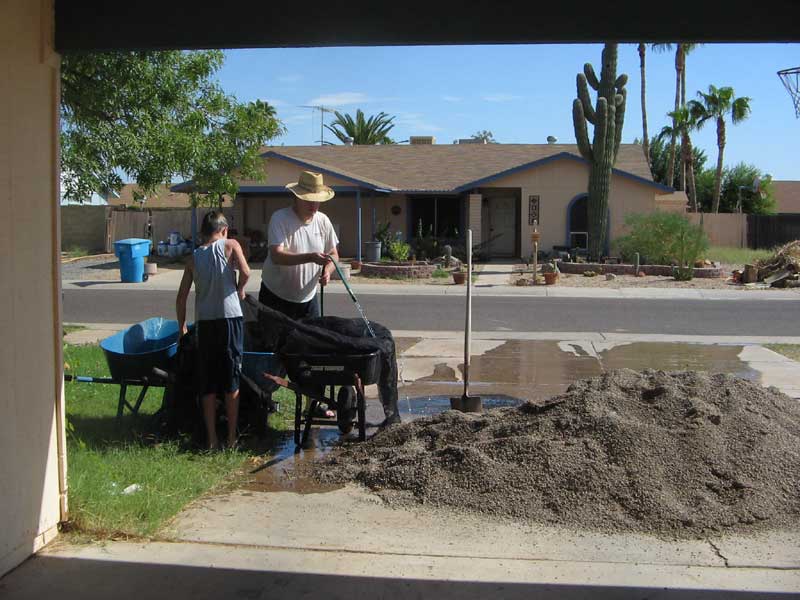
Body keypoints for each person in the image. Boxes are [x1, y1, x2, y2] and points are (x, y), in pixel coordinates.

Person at [176, 211, 250, 450]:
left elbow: (181, 297)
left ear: (202, 234)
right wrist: (239, 289)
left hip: (206, 322)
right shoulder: (231, 245)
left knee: (207, 383)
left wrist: (182, 327)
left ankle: (211, 439)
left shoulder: (193, 258)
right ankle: (231, 438)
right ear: (224, 230)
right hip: (230, 319)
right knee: (231, 380)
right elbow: (247, 272)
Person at [259, 170, 339, 319]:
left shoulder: (323, 220)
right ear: (296, 197)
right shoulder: (280, 218)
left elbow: (334, 254)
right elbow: (277, 256)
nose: (314, 205)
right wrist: (311, 257)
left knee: (310, 341)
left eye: (317, 201)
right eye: (309, 200)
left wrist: (327, 270)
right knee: (273, 342)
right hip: (275, 296)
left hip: (308, 299)